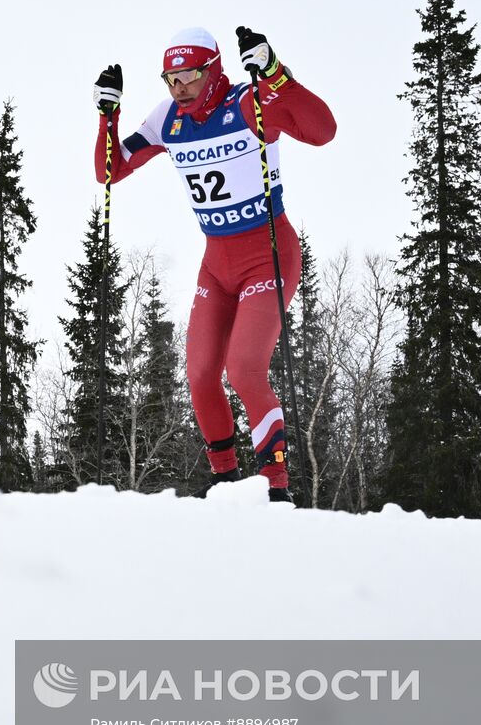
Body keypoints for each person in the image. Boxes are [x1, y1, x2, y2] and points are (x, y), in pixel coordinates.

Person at [94, 26, 336, 501]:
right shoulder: (168, 118)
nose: (178, 87)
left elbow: (323, 131)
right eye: (170, 78)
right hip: (217, 264)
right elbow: (109, 170)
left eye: (187, 76)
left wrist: (275, 74)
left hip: (268, 253)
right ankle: (225, 482)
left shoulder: (249, 102)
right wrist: (108, 115)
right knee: (202, 374)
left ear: (213, 70)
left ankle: (275, 489)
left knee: (244, 369)